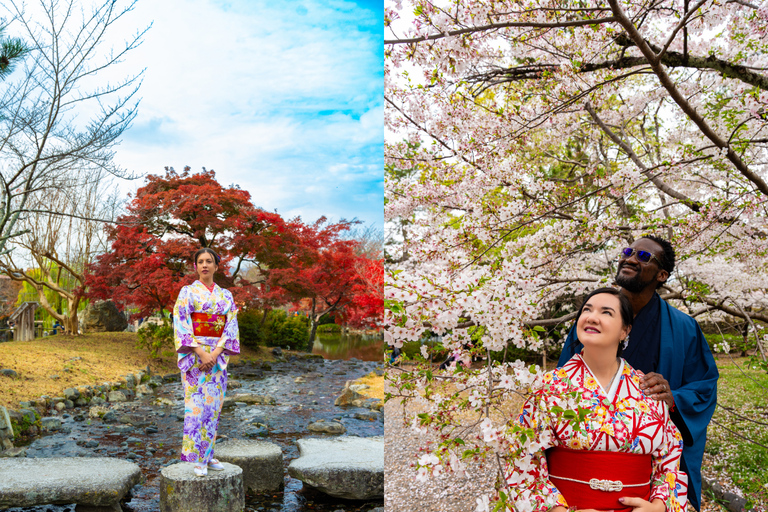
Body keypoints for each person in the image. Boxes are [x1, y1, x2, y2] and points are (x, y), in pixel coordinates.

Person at [558, 236, 718, 511]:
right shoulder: (590, 321)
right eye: (629, 251)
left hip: (644, 483)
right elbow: (561, 388)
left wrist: (674, 399)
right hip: (579, 483)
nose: (630, 258)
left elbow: (704, 387)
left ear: (662, 275)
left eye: (644, 257)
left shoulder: (684, 328)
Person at [511, 288, 687, 511]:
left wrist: (659, 506)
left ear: (625, 330)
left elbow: (670, 454)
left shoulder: (648, 388)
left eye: (606, 312)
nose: (592, 317)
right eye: (587, 309)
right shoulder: (549, 386)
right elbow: (522, 456)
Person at [173, 247, 240, 477]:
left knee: (214, 407)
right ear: (195, 266)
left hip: (217, 359)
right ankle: (197, 459)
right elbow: (181, 323)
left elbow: (230, 326)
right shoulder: (187, 292)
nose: (204, 265)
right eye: (200, 261)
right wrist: (201, 353)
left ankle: (208, 455)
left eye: (209, 261)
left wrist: (216, 353)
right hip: (195, 357)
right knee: (196, 407)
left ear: (216, 266)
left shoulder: (226, 296)